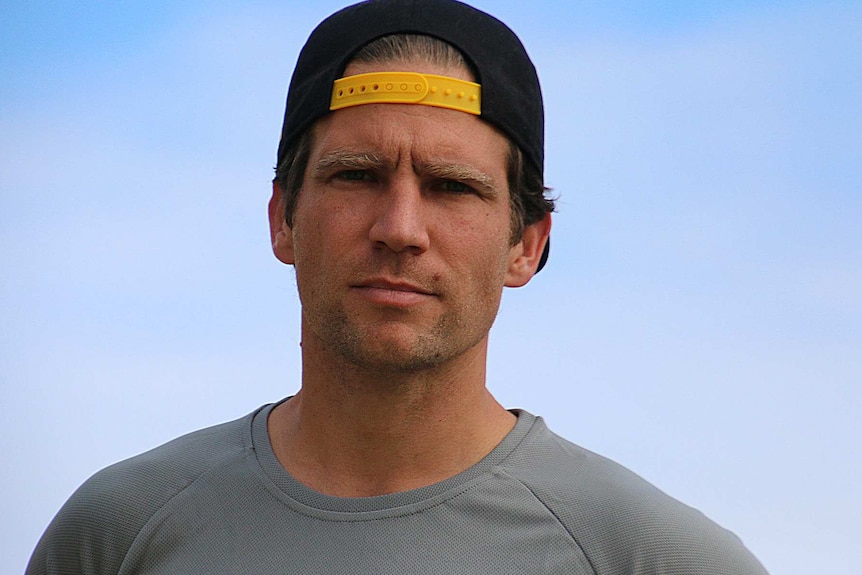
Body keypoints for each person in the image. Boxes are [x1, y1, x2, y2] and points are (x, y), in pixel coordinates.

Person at [27, 1, 768, 573]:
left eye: (452, 186)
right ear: (283, 219)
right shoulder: (116, 533)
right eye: (357, 175)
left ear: (527, 244)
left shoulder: (651, 557)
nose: (400, 226)